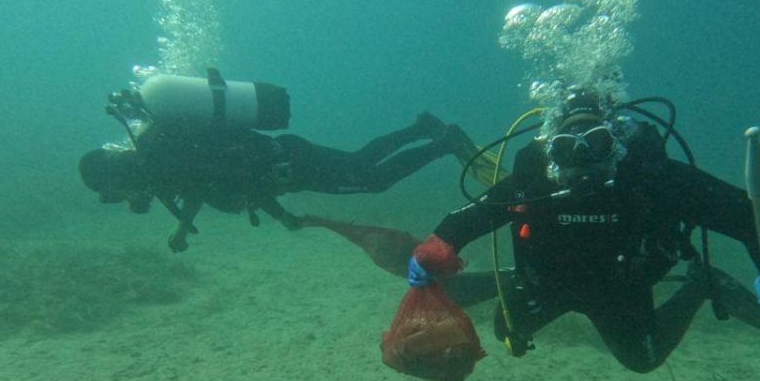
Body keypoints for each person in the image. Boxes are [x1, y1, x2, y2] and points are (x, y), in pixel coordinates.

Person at [406, 87, 760, 373]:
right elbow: (472, 216)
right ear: (552, 150)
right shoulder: (534, 182)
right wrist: (437, 246)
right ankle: (515, 280)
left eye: (597, 142)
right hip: (547, 284)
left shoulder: (653, 179)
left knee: (643, 360)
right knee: (505, 332)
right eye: (566, 148)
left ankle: (703, 283)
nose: (581, 158)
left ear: (616, 142)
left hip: (623, 292)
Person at [80, 105, 471, 254]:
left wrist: (280, 214)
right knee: (360, 162)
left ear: (116, 174)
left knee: (371, 179)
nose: (123, 197)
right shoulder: (158, 154)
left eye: (113, 190)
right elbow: (217, 183)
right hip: (285, 156)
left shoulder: (160, 159)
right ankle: (422, 127)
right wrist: (183, 224)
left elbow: (228, 183)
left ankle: (443, 142)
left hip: (288, 167)